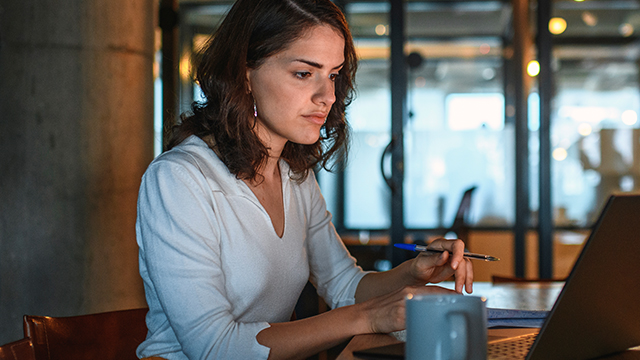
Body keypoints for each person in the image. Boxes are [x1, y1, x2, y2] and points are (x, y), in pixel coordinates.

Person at [135, 0, 474, 359]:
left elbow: (345, 284)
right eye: (303, 73)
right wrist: (369, 317)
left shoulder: (294, 176)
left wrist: (413, 274)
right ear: (244, 74)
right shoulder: (178, 180)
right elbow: (215, 348)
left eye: (332, 74)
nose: (327, 97)